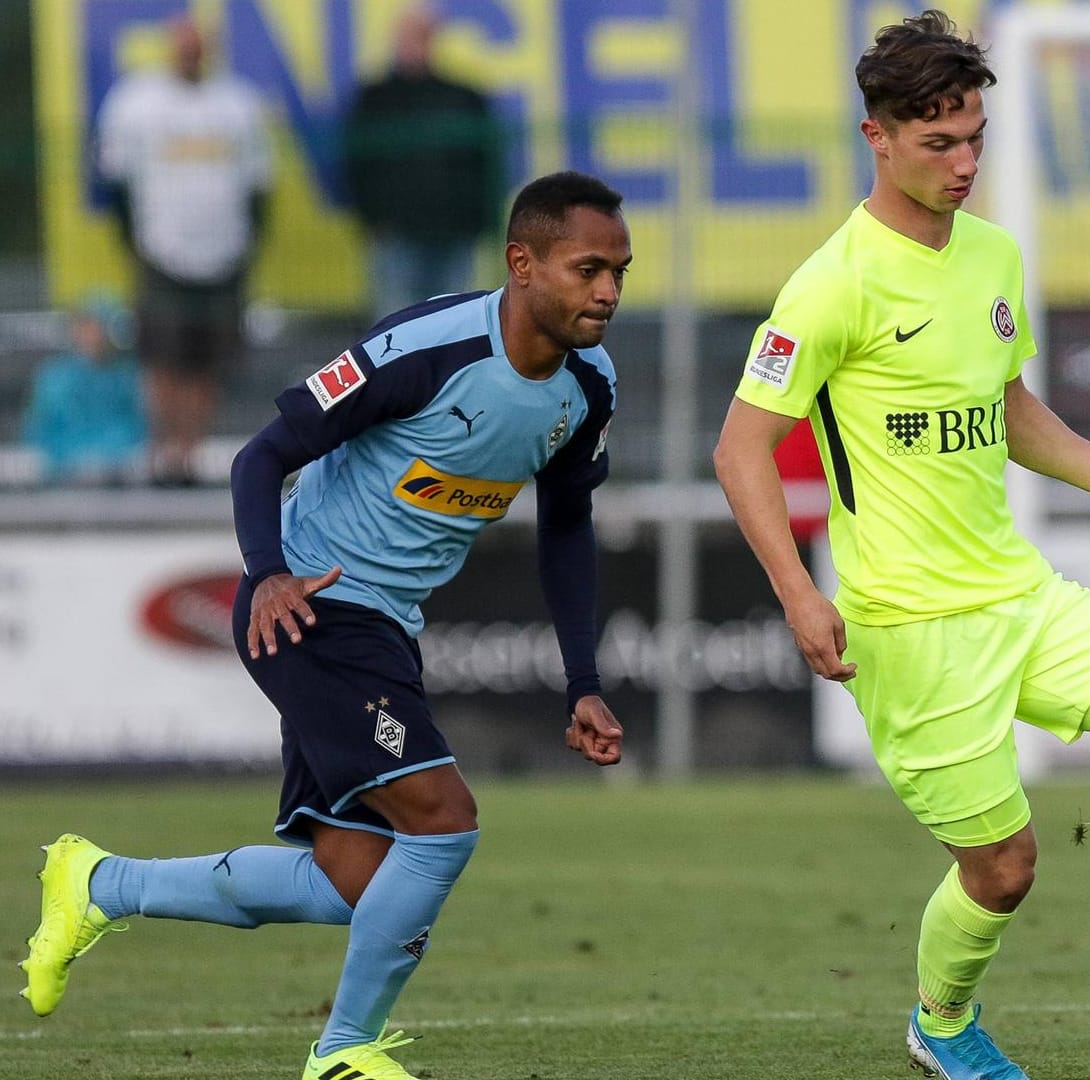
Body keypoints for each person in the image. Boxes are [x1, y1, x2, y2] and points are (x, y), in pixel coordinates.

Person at [712, 12, 1090, 1078]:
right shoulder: (833, 283)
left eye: (974, 137)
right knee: (1004, 869)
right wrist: (797, 592)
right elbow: (741, 450)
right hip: (912, 631)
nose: (965, 164)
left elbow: (1007, 410)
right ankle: (942, 1021)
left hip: (1019, 593)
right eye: (939, 144)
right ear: (876, 137)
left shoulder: (996, 256)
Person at [21, 171, 632, 1080]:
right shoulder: (424, 348)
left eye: (620, 271)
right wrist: (268, 574)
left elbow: (569, 524)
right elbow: (260, 455)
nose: (610, 292)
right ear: (523, 263)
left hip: (387, 627)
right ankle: (342, 1054)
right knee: (443, 823)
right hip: (313, 605)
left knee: (358, 883)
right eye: (589, 269)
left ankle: (100, 884)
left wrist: (583, 679)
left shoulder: (589, 385)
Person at [95, 12, 273, 486]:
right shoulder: (136, 103)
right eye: (184, 47)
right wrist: (136, 239)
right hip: (163, 249)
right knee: (161, 360)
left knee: (205, 363)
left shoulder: (237, 105)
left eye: (198, 48)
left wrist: (247, 239)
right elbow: (116, 181)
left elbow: (258, 182)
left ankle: (190, 454)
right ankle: (163, 452)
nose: (191, 56)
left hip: (223, 252)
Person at [342, 2, 501, 321]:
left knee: (452, 331)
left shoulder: (464, 97)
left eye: (422, 34)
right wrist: (373, 220)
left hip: (453, 233)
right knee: (394, 336)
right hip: (396, 235)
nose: (415, 43)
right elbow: (356, 165)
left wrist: (479, 221)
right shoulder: (374, 99)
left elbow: (485, 164)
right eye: (408, 34)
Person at [22, 296, 147, 485]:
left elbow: (137, 426)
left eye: (100, 326)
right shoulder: (54, 376)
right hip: (62, 473)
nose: (95, 334)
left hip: (117, 475)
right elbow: (39, 427)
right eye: (88, 325)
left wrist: (109, 458)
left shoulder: (128, 376)